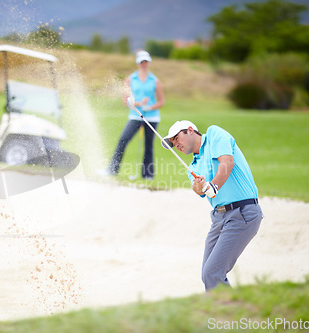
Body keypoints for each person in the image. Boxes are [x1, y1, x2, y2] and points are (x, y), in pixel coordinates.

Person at [162, 120, 263, 291]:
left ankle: (229, 315)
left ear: (190, 130)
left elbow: (227, 163)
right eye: (173, 144)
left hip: (243, 213)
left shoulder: (214, 134)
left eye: (176, 138)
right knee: (208, 274)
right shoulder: (192, 165)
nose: (176, 145)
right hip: (219, 218)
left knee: (212, 273)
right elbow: (199, 191)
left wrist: (213, 185)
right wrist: (199, 185)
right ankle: (224, 314)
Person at [106, 50, 165, 180]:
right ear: (138, 63)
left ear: (148, 62)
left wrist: (149, 106)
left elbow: (161, 101)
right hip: (135, 116)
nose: (144, 64)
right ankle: (112, 169)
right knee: (123, 140)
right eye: (141, 62)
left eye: (146, 61)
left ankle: (148, 175)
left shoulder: (155, 81)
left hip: (152, 117)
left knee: (148, 145)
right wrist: (139, 103)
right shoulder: (130, 79)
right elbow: (125, 100)